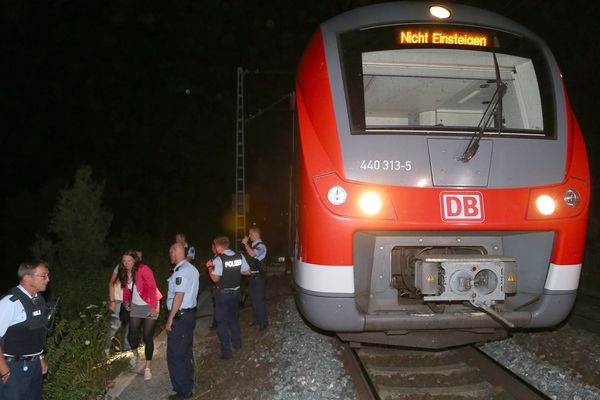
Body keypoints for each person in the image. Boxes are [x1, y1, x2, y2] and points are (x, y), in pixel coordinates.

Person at [0, 261, 50, 400]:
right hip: (13, 368)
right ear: (27, 277)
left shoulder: (38, 300)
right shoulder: (10, 303)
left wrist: (40, 358)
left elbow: (35, 333)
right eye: (43, 276)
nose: (48, 279)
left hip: (33, 366)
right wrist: (4, 370)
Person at [205, 236, 250, 360]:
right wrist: (234, 271)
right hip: (236, 294)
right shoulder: (239, 256)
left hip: (223, 295)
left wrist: (209, 267)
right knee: (234, 320)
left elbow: (215, 278)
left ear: (219, 247)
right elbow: (247, 272)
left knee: (222, 323)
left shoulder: (219, 259)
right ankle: (238, 344)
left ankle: (227, 353)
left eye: (216, 246)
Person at [166, 242, 199, 400]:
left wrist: (170, 318)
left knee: (175, 354)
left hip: (180, 316)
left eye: (170, 253)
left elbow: (179, 296)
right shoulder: (192, 269)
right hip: (189, 315)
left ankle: (183, 391)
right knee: (185, 351)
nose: (170, 256)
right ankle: (188, 384)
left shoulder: (181, 271)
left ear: (175, 252)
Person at [121, 250, 161, 381]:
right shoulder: (125, 273)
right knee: (132, 335)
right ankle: (135, 355)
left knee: (147, 336)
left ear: (135, 260)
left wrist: (154, 307)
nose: (126, 263)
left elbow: (152, 287)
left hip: (150, 303)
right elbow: (126, 289)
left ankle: (148, 368)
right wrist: (126, 301)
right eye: (124, 261)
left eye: (129, 261)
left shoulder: (144, 269)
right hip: (137, 306)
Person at [103, 251, 142, 355]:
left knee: (131, 323)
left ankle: (127, 347)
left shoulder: (137, 269)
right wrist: (112, 301)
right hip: (117, 299)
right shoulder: (120, 267)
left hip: (128, 300)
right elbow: (111, 283)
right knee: (115, 325)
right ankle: (105, 349)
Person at [242, 226, 269, 330]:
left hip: (259, 278)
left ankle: (263, 322)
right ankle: (257, 319)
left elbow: (253, 254)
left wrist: (245, 243)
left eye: (250, 234)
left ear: (256, 234)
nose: (249, 236)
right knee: (253, 300)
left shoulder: (261, 246)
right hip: (252, 277)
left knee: (259, 300)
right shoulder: (253, 245)